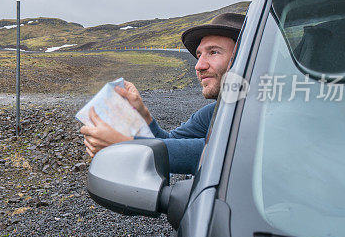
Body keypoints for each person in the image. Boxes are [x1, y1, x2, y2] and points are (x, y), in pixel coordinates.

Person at [80, 12, 245, 175]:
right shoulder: (211, 113)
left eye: (214, 52)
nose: (198, 65)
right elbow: (169, 143)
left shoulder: (261, 113)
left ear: (244, 57)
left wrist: (125, 145)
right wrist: (143, 115)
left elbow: (217, 153)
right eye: (199, 55)